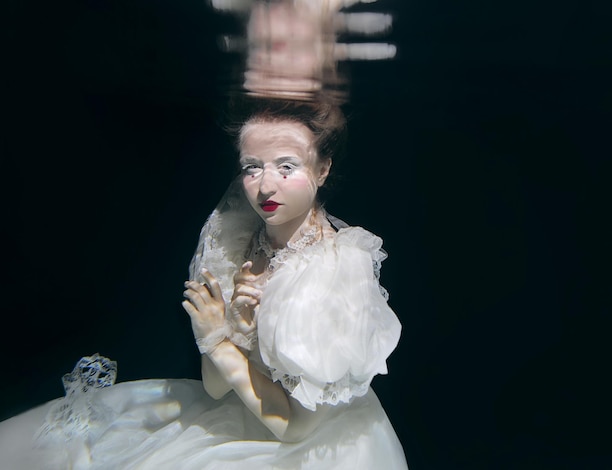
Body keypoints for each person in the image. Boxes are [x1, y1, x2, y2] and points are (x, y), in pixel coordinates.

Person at [0, 97, 407, 469]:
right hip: (244, 413)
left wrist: (219, 343)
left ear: (322, 169)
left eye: (287, 166)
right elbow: (214, 390)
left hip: (318, 447)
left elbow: (294, 427)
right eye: (252, 167)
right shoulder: (238, 237)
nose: (266, 186)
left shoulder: (338, 273)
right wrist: (228, 331)